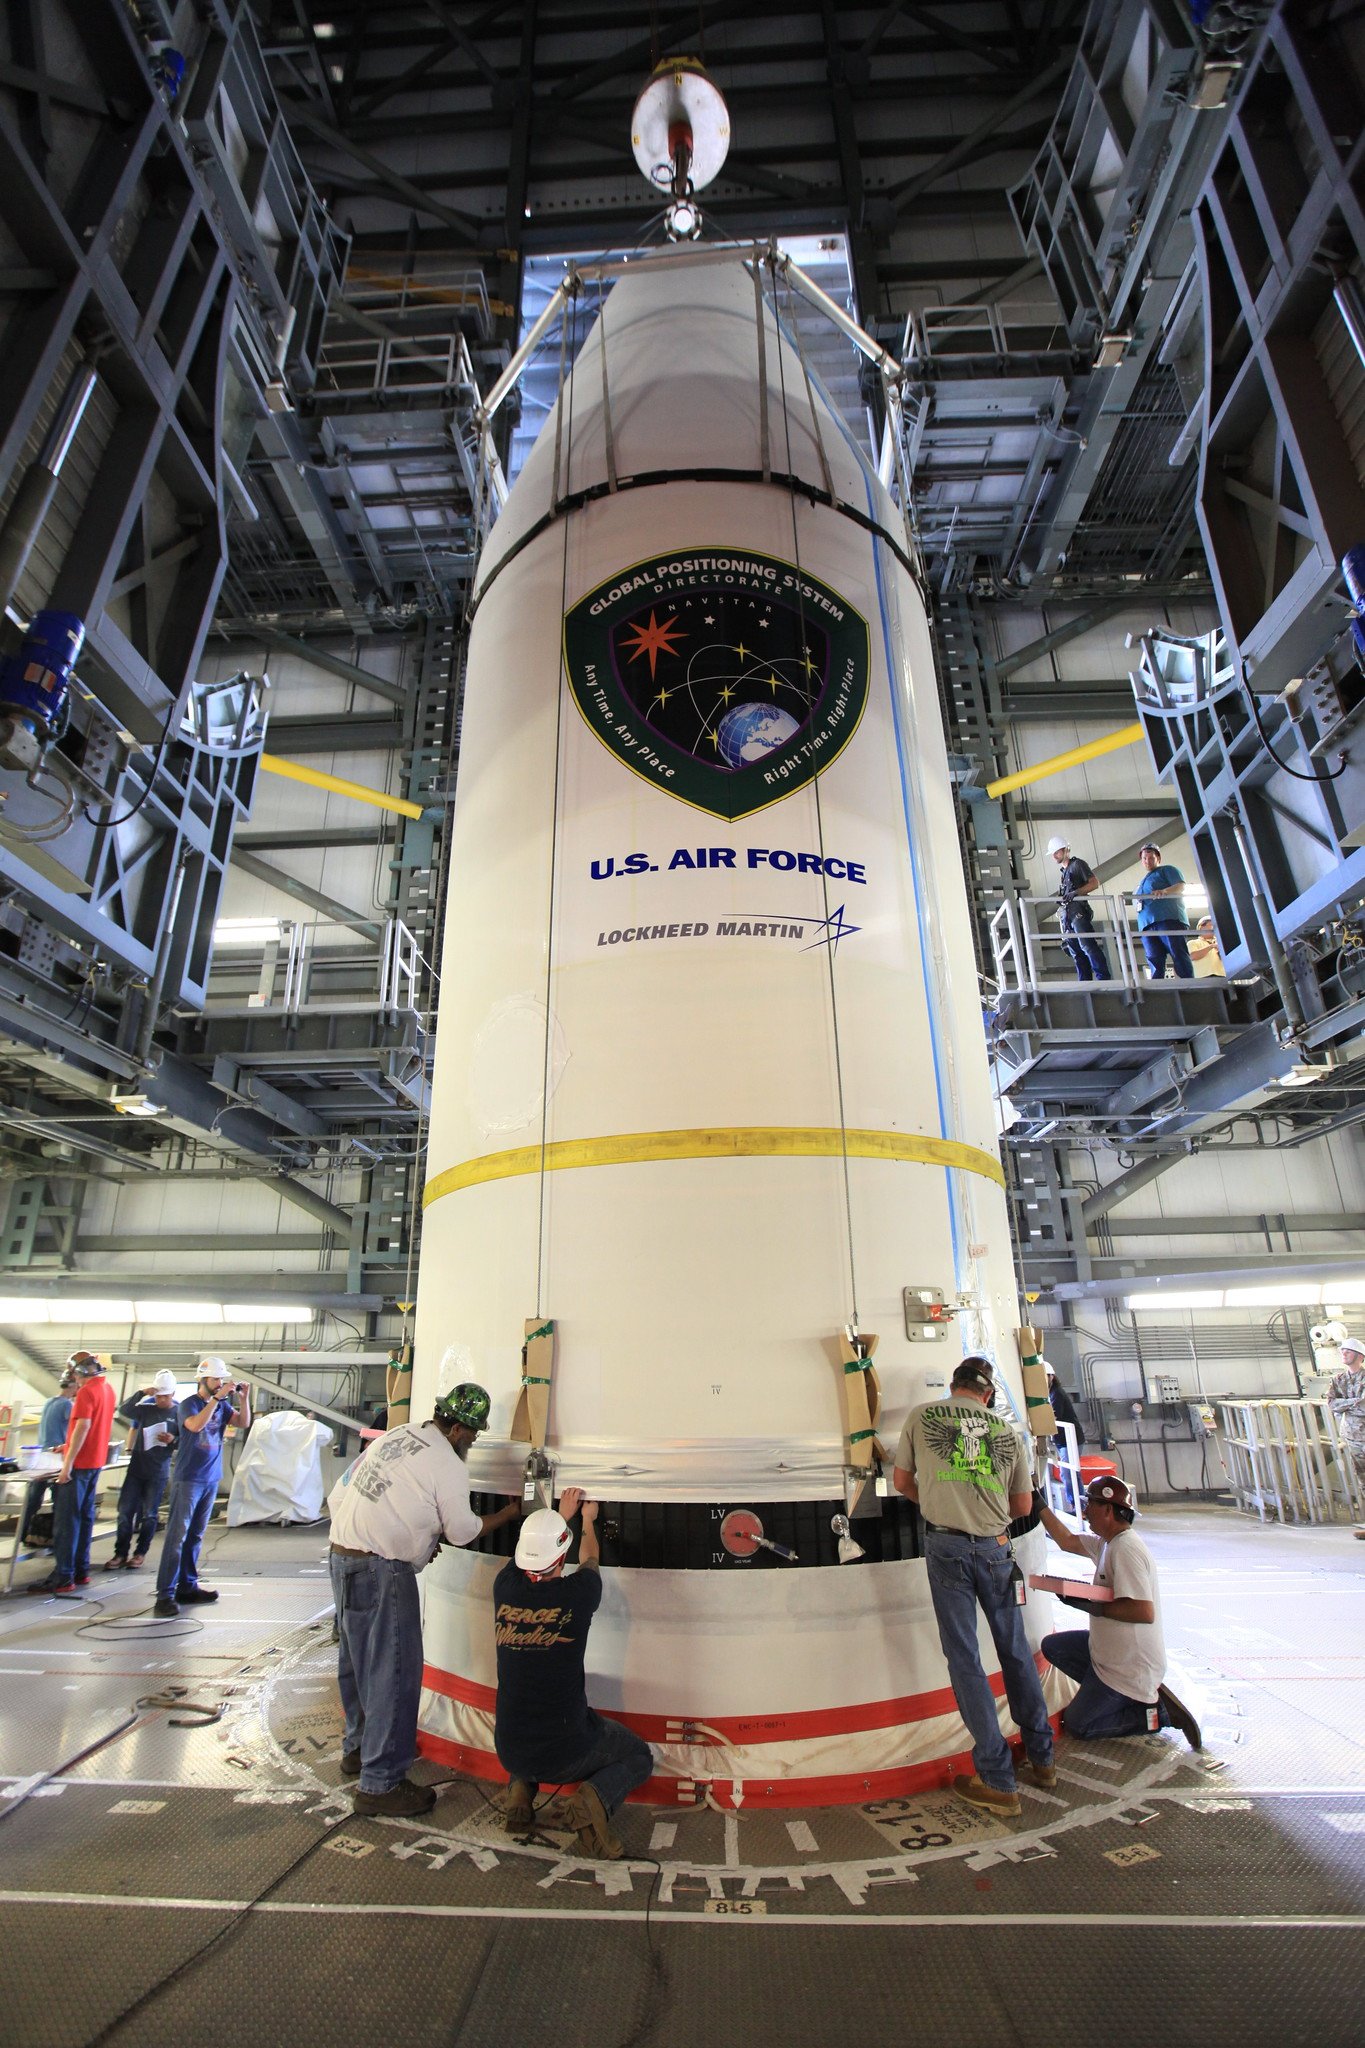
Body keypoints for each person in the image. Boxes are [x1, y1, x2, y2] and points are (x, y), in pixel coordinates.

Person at [328, 1381, 521, 1818]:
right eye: (472, 1436)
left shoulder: (398, 1436)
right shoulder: (447, 1463)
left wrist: (409, 1535)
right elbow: (462, 1531)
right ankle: (380, 1784)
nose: (471, 1443)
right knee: (395, 1674)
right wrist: (509, 1514)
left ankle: (357, 1750)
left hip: (342, 1557)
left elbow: (340, 1493)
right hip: (381, 1571)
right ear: (458, 1430)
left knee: (357, 1663)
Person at [893, 1354, 1055, 1817]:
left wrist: (941, 1504)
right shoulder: (1005, 1429)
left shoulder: (922, 1416)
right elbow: (1022, 1502)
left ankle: (999, 1780)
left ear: (953, 1385)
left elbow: (902, 1480)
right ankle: (1042, 1758)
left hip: (946, 1549)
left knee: (966, 1659)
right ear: (987, 1394)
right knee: (1015, 1650)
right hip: (996, 1549)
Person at [494, 1488, 654, 1859]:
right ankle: (590, 1805)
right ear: (560, 1554)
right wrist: (585, 1520)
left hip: (508, 1748)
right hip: (566, 1751)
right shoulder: (577, 1593)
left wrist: (557, 1517)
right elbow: (590, 1558)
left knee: (527, 1711)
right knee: (637, 1755)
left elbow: (527, 1559)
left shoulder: (503, 1587)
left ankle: (520, 1792)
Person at [1035, 1473, 1202, 1747]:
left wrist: (1091, 1605)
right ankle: (1108, 1693)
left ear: (1109, 1510)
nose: (1086, 1511)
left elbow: (1142, 1611)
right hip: (1108, 1653)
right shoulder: (1106, 1543)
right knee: (1053, 1646)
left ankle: (1155, 1714)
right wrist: (1037, 1502)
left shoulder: (1126, 1549)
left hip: (1128, 1667)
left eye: (1091, 1505)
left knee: (1078, 1724)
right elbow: (1065, 1540)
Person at [154, 1359, 250, 1618]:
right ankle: (164, 1594)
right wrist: (217, 1400)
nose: (220, 1384)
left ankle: (187, 1586)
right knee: (177, 1537)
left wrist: (243, 1399)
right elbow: (195, 1426)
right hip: (189, 1478)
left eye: (221, 1380)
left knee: (196, 1535)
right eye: (215, 1380)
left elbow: (242, 1422)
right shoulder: (189, 1404)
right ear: (203, 1380)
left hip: (210, 1478)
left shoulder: (222, 1405)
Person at [29, 1352, 116, 1594]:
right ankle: (81, 1570)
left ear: (78, 1373)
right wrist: (67, 1446)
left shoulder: (87, 1392)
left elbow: (83, 1426)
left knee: (67, 1521)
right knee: (86, 1517)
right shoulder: (107, 1390)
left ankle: (64, 1576)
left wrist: (67, 1464)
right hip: (95, 1462)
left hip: (78, 1465)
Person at [105, 1370, 181, 1570]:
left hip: (158, 1471)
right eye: (158, 1395)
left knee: (149, 1515)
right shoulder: (146, 1408)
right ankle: (120, 1553)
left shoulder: (179, 1413)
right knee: (125, 1513)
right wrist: (141, 1393)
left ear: (173, 1394)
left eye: (165, 1396)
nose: (161, 1399)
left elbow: (187, 1441)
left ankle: (140, 1553)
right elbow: (124, 1410)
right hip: (136, 1468)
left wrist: (173, 1440)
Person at [17, 1363, 76, 1553]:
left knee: (33, 1498)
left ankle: (23, 1533)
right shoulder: (68, 1405)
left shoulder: (50, 1401)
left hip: (40, 1455)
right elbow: (78, 1426)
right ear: (72, 1387)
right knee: (60, 1498)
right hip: (56, 1457)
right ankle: (55, 1537)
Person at [1047, 835, 1112, 982]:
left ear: (1065, 850)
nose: (1054, 855)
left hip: (1078, 912)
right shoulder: (1064, 873)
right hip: (1068, 916)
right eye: (1053, 853)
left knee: (1087, 946)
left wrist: (1076, 892)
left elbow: (1094, 883)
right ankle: (1084, 983)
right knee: (1076, 951)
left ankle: (1103, 979)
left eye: (1056, 852)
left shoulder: (1077, 865)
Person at [1132, 842, 1194, 979]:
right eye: (1144, 858)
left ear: (1158, 859)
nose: (1147, 861)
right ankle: (1157, 983)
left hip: (1167, 919)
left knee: (1177, 951)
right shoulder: (1141, 883)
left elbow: (1180, 886)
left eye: (1151, 858)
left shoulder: (1167, 870)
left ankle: (1188, 980)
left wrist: (1165, 891)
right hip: (1147, 925)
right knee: (1154, 957)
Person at [1326, 1333, 1365, 1539]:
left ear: (1360, 1356)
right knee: (1362, 1480)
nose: (1344, 1353)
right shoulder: (1338, 1379)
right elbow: (1332, 1404)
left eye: (1348, 1351)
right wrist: (1354, 1402)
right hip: (1353, 1437)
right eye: (1342, 1350)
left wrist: (1347, 1405)